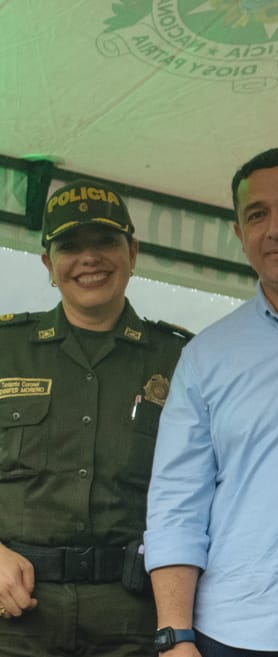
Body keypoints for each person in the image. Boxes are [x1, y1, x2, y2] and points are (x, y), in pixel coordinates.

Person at [144, 148, 278, 656]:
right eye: (256, 215)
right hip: (235, 630)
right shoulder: (206, 356)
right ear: (239, 234)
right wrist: (175, 637)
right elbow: (177, 503)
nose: (276, 228)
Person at [0, 179, 190, 657]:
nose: (89, 259)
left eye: (105, 241)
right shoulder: (6, 350)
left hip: (132, 615)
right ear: (48, 264)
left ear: (133, 252)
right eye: (69, 246)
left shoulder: (182, 360)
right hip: (15, 613)